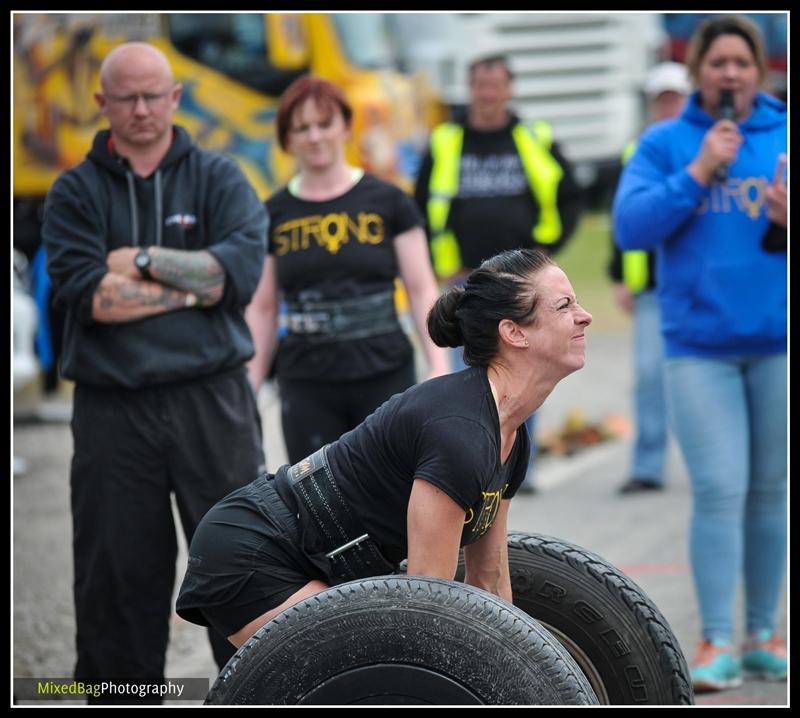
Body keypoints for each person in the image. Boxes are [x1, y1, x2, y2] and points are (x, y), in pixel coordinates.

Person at [177, 247, 592, 647]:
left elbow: (489, 583)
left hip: (318, 560)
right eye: (564, 306)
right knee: (374, 669)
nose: (585, 316)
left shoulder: (510, 437)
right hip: (254, 552)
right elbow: (428, 605)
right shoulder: (459, 434)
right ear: (514, 332)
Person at [42, 42, 267, 701]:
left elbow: (237, 277)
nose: (140, 109)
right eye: (126, 97)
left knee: (242, 562)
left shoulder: (221, 179)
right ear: (101, 103)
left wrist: (136, 260)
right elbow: (90, 298)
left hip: (212, 401)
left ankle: (253, 691)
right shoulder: (75, 193)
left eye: (152, 95)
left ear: (175, 97)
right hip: (115, 411)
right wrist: (195, 281)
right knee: (117, 575)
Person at [613, 16, 786, 692]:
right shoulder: (665, 143)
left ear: (760, 70)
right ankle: (717, 638)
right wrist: (698, 172)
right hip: (698, 350)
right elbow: (631, 227)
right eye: (717, 62)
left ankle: (765, 634)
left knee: (770, 494)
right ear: (698, 74)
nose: (730, 73)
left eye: (742, 62)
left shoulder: (784, 137)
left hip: (778, 344)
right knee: (718, 490)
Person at [245, 75, 450, 465]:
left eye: (324, 124)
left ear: (346, 127)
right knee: (318, 508)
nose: (315, 137)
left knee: (391, 495)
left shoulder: (389, 201)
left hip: (384, 375)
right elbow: (263, 308)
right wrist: (248, 387)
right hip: (306, 384)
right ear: (287, 139)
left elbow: (423, 289)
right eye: (302, 128)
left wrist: (440, 370)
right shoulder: (272, 214)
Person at [414, 54, 583, 493]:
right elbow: (420, 205)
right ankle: (474, 459)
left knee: (528, 367)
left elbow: (570, 196)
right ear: (470, 89)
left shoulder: (533, 137)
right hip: (465, 281)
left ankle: (517, 465)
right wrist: (438, 262)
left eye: (496, 85)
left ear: (509, 89)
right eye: (480, 85)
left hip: (520, 284)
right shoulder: (446, 141)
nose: (487, 94)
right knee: (469, 374)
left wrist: (548, 251)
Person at [608, 62, 690, 494]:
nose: (669, 106)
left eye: (675, 98)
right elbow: (622, 222)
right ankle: (649, 466)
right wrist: (620, 276)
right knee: (649, 376)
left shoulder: (707, 148)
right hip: (652, 288)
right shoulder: (637, 152)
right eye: (662, 99)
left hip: (697, 284)